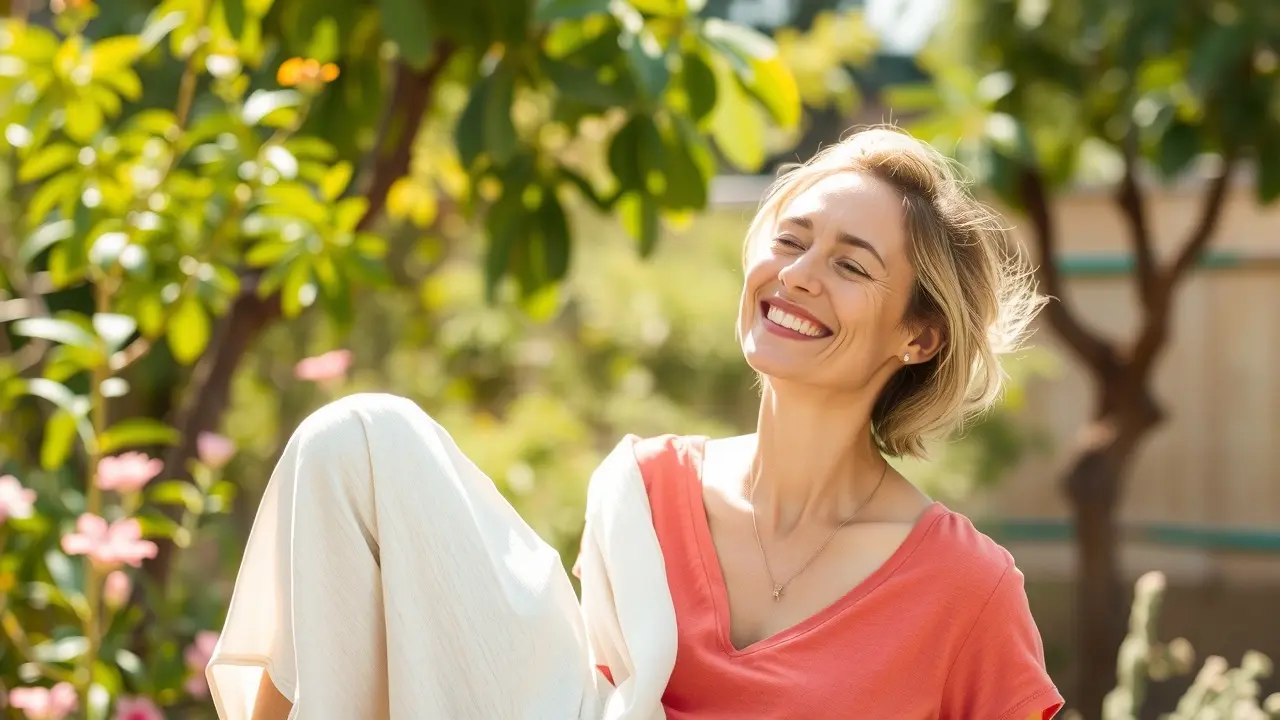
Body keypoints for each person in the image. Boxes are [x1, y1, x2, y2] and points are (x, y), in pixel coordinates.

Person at [206, 126, 1063, 720]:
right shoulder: (647, 490)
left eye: (850, 264)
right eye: (791, 240)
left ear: (919, 334)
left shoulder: (965, 587)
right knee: (357, 439)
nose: (799, 275)